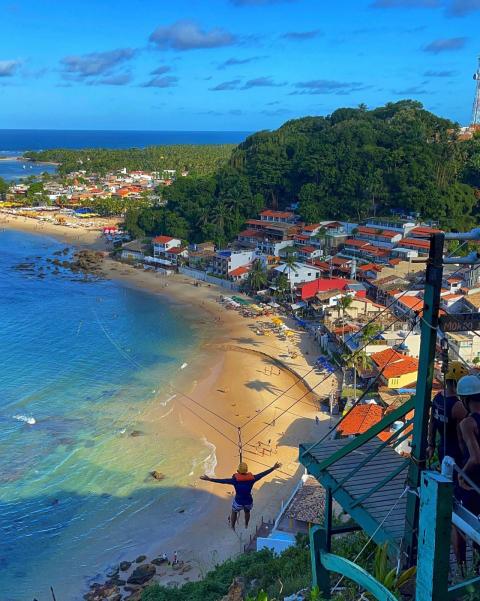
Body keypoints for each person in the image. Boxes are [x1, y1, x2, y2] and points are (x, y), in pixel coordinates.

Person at [200, 461, 282, 530]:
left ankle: (232, 526)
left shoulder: (235, 480)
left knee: (234, 512)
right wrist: (273, 468)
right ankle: (246, 524)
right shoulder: (252, 478)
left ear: (238, 471)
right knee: (247, 512)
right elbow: (263, 474)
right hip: (248, 502)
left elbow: (223, 481)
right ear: (246, 471)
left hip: (238, 502)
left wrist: (209, 479)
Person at [453, 374, 480, 572]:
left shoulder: (467, 423)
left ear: (465, 399)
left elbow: (475, 457)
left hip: (472, 482)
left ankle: (462, 570)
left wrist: (461, 473)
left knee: (459, 525)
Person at [427, 361, 468, 466]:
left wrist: (431, 445)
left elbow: (432, 423)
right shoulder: (458, 406)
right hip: (456, 451)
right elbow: (461, 436)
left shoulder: (438, 398)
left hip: (442, 447)